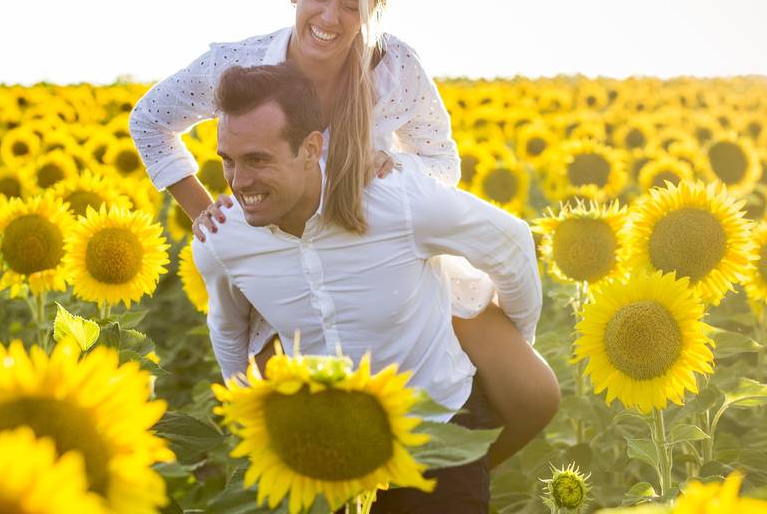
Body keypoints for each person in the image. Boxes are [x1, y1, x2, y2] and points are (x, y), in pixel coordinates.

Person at [129, 0, 559, 468]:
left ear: (373, 11)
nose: (331, 18)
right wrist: (203, 211)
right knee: (293, 443)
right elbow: (149, 120)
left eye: (352, 5)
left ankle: (451, 479)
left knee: (532, 394)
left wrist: (395, 168)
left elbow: (441, 159)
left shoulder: (394, 68)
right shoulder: (236, 67)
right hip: (285, 262)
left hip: (384, 252)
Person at [194, 62, 542, 512]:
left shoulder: (393, 199)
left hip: (433, 437)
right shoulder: (224, 240)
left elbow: (511, 241)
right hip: (324, 454)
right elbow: (227, 329)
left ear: (311, 148)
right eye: (229, 161)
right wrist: (250, 422)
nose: (240, 182)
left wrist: (519, 337)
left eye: (258, 160)